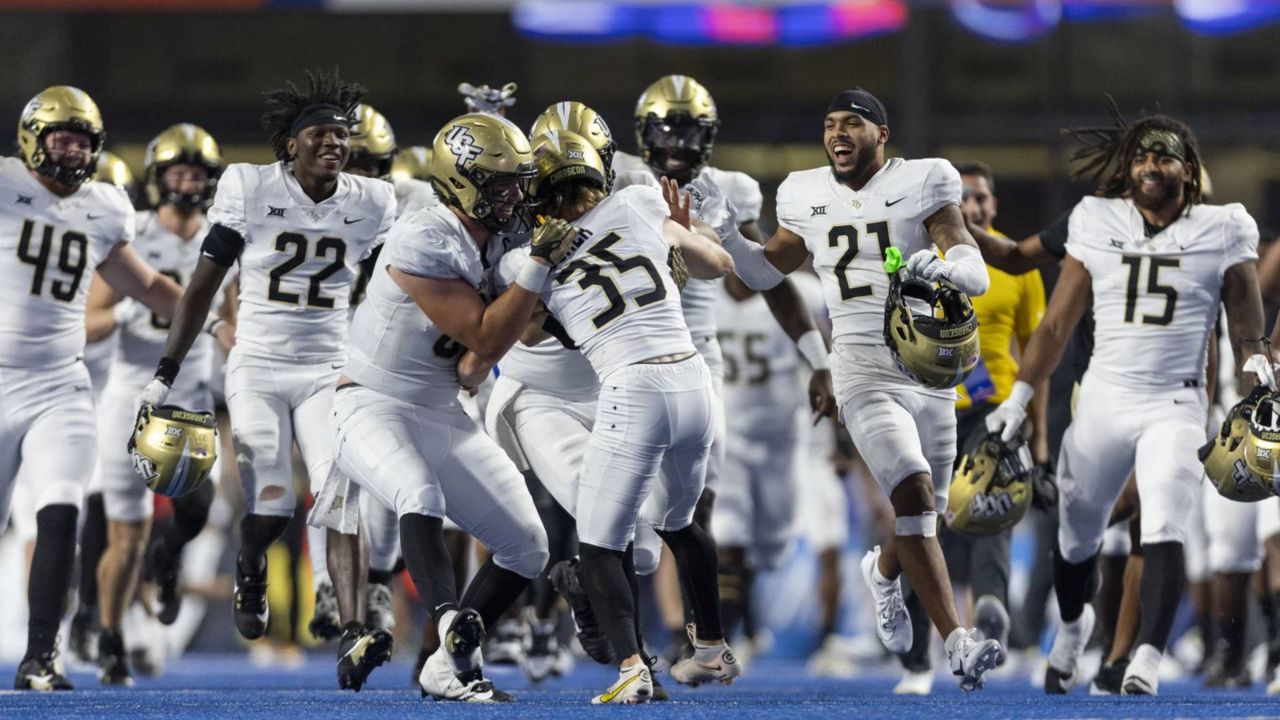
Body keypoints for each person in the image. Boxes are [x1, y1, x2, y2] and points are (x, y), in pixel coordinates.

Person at [715, 86, 1004, 691]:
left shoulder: (924, 182)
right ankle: (956, 642)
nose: (838, 134)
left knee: (930, 513)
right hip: (860, 370)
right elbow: (767, 271)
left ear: (882, 133)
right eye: (829, 124)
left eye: (852, 123)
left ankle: (884, 576)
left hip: (927, 372)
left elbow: (969, 257)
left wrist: (955, 270)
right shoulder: (804, 193)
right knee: (917, 496)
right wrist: (727, 236)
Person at [984, 108, 1272, 695]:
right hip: (1104, 399)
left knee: (1164, 518)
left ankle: (1146, 655)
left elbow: (1245, 332)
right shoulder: (1094, 218)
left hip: (1176, 401)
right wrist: (1017, 398)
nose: (1149, 165)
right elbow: (1055, 322)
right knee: (1077, 535)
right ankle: (1072, 627)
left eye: (1163, 156)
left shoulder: (1225, 227)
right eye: (1141, 156)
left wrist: (1259, 390)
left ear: (1188, 170)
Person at [136, 69, 397, 691]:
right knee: (274, 502)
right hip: (256, 364)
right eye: (321, 133)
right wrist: (166, 373)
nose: (335, 142)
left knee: (341, 488)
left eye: (342, 134)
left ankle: (353, 627)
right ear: (291, 144)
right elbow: (202, 289)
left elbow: (396, 293)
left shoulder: (372, 201)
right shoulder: (249, 188)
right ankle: (249, 562)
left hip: (328, 368)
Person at [333, 112, 562, 702]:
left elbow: (524, 337)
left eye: (518, 180)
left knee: (528, 547)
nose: (514, 194)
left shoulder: (511, 233)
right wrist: (534, 272)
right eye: (499, 182)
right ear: (460, 182)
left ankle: (442, 668)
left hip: (443, 408)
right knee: (419, 494)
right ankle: (448, 627)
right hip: (372, 403)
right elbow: (487, 337)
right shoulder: (424, 236)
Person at [505, 130, 737, 703]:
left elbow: (525, 334)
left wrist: (540, 270)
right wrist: (683, 233)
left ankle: (632, 667)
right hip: (694, 380)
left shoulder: (526, 254)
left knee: (600, 543)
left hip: (634, 386)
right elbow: (721, 263)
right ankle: (710, 647)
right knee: (680, 525)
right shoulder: (636, 201)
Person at [615, 75, 836, 661]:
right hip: (618, 349)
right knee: (616, 506)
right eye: (667, 132)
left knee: (695, 504)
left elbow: (768, 280)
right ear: (644, 134)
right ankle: (598, 619)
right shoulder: (616, 180)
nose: (678, 146)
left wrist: (818, 360)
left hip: (694, 352)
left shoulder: (728, 191)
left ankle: (694, 635)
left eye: (690, 133)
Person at [3, 85, 185, 690]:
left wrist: (206, 313)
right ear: (33, 139)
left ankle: (40, 658)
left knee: (61, 510)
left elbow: (146, 283)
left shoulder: (104, 207)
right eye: (62, 137)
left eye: (83, 141)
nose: (74, 150)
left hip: (60, 383)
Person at [80, 123, 234, 685]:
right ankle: (112, 636)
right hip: (131, 396)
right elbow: (90, 322)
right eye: (179, 172)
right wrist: (122, 313)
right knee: (125, 534)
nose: (189, 181)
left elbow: (233, 325)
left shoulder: (222, 238)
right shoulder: (134, 233)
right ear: (158, 178)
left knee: (196, 509)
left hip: (190, 400)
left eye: (198, 172)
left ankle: (166, 564)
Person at [893, 161, 1049, 694]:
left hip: (993, 407)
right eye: (966, 199)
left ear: (994, 205)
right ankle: (917, 659)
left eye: (983, 198)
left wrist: (1040, 433)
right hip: (927, 402)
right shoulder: (916, 255)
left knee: (991, 505)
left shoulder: (1015, 263)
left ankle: (990, 607)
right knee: (920, 524)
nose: (976, 207)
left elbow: (1038, 353)